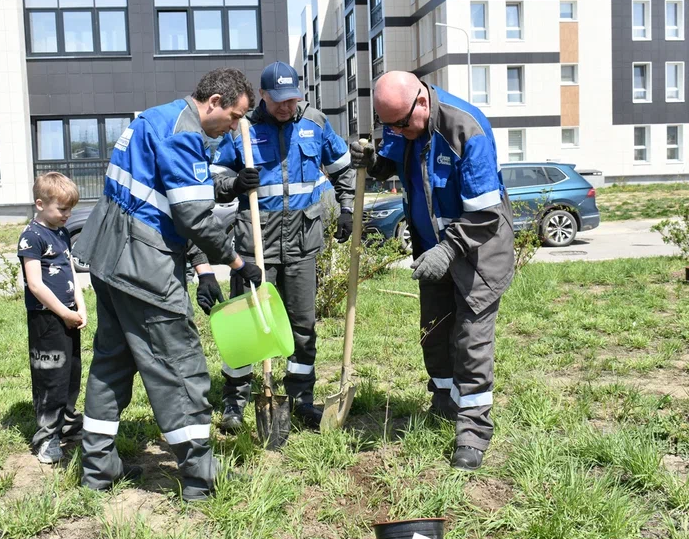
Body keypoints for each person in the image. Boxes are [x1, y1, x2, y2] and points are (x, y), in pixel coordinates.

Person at [73, 68, 264, 502]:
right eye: (234, 117)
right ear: (214, 101)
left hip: (108, 255)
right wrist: (237, 262)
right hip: (144, 265)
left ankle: (98, 468)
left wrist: (228, 184)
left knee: (112, 361)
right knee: (181, 365)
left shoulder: (155, 119)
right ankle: (201, 474)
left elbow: (172, 183)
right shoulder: (184, 133)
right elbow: (192, 216)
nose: (234, 128)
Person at [349, 71, 514, 471]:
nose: (397, 132)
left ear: (421, 103)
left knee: (470, 341)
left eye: (402, 125)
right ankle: (444, 404)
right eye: (388, 126)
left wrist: (449, 250)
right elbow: (395, 163)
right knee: (435, 334)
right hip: (432, 252)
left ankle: (473, 432)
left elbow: (486, 214)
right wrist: (374, 163)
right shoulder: (402, 123)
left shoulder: (465, 129)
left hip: (476, 252)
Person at [208, 61, 356, 432]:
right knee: (249, 322)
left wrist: (347, 209)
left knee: (303, 325)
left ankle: (301, 397)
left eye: (292, 100)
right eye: (278, 102)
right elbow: (214, 179)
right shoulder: (241, 127)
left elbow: (343, 168)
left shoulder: (316, 123)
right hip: (255, 243)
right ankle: (235, 401)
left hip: (303, 242)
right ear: (262, 95)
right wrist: (237, 183)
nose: (286, 108)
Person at [17, 172, 86, 464]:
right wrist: (64, 312)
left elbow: (71, 271)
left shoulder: (62, 232)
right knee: (51, 376)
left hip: (69, 316)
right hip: (47, 320)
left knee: (71, 373)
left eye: (70, 209)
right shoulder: (31, 237)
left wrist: (80, 307)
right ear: (40, 204)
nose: (67, 215)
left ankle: (67, 423)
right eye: (62, 209)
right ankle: (47, 437)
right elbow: (35, 284)